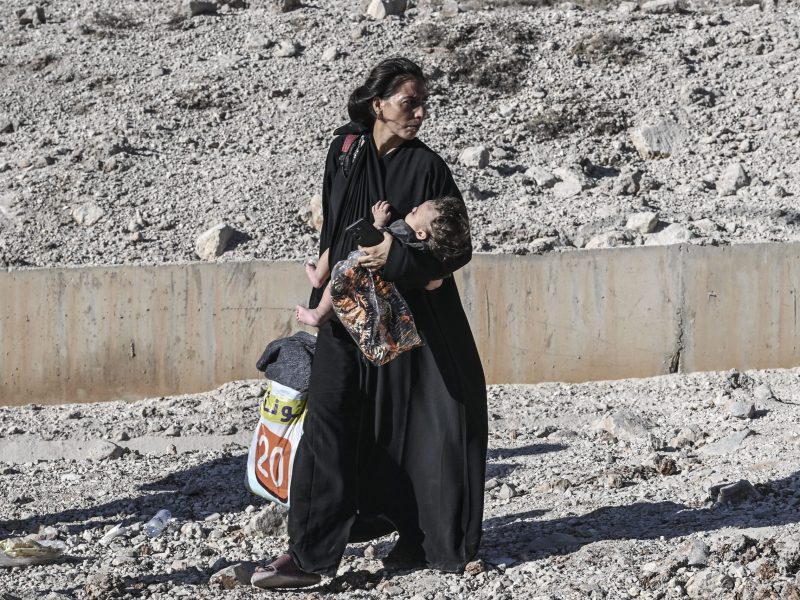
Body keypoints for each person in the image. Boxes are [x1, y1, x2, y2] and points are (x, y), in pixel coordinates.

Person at [252, 57, 488, 589]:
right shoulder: (345, 149)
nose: (421, 113)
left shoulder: (428, 168)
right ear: (378, 104)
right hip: (348, 313)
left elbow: (457, 247)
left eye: (425, 103)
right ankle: (310, 557)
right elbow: (334, 228)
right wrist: (321, 299)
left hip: (410, 328)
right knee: (328, 426)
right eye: (410, 103)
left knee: (415, 431)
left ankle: (418, 540)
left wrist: (396, 258)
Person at [295, 196, 470, 328]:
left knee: (336, 263)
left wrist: (378, 221)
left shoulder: (402, 230)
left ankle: (318, 309)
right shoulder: (427, 252)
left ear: (421, 233)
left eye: (416, 212)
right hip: (380, 293)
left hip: (361, 270)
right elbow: (433, 283)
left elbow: (372, 243)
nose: (414, 207)